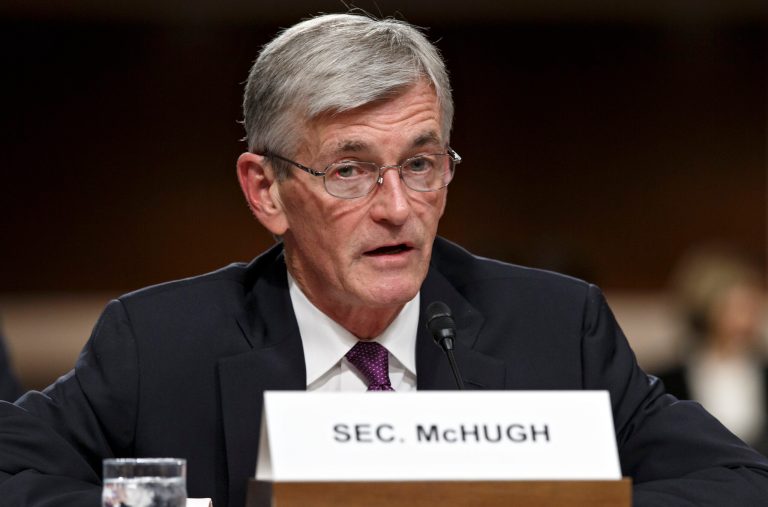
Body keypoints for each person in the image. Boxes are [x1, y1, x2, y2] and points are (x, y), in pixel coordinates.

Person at [1, 13, 767, 507]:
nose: (396, 206)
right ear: (265, 188)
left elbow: (737, 481)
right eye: (349, 170)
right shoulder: (158, 343)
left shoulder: (554, 327)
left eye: (421, 164)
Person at [657, 245, 768, 455]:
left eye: (753, 307)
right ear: (706, 308)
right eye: (735, 308)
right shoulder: (666, 381)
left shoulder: (763, 372)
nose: (746, 320)